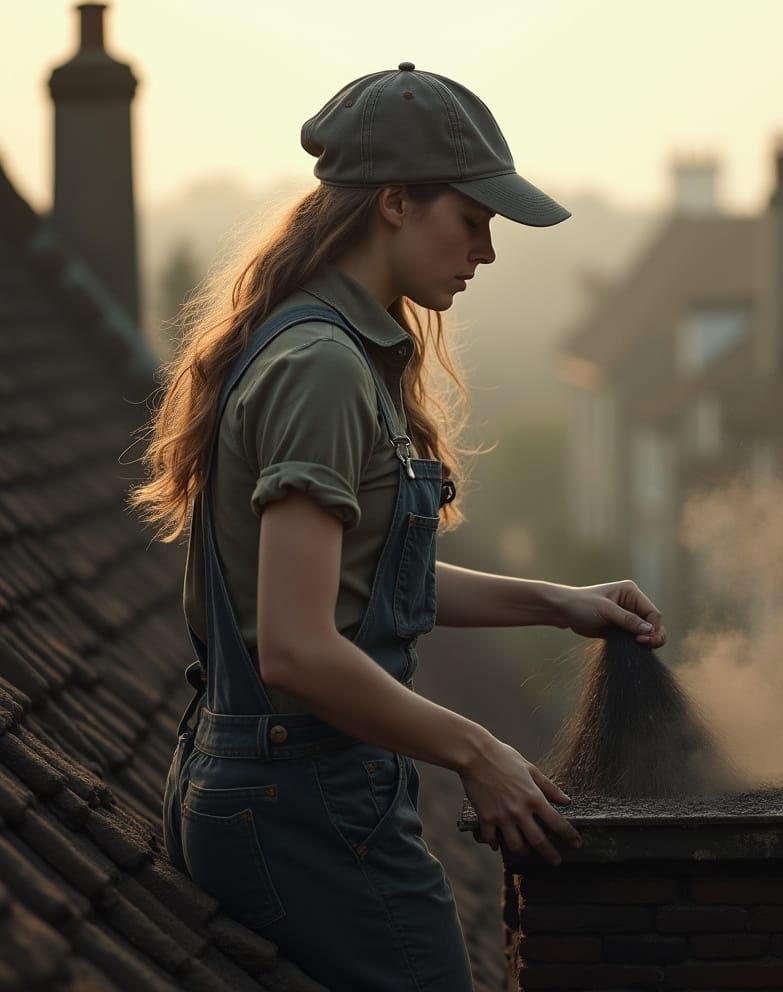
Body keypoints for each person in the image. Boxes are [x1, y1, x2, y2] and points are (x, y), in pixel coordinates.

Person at [129, 62, 667, 991]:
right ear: (392, 202)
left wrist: (560, 602)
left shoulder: (319, 343)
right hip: (306, 808)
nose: (486, 252)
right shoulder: (322, 368)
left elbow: (368, 581)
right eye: (472, 220)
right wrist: (478, 751)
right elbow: (296, 649)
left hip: (272, 793)